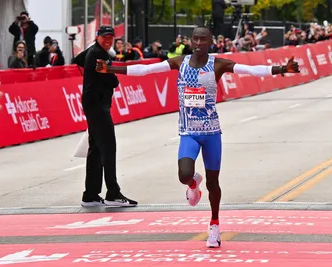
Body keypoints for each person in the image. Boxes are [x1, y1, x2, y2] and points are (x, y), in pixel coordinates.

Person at [95, 25, 300, 247]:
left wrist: (281, 69)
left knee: (214, 183)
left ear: (210, 41)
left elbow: (250, 70)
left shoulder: (218, 64)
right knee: (184, 174)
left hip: (211, 132)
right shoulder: (180, 62)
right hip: (188, 133)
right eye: (196, 39)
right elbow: (145, 70)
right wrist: (111, 69)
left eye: (204, 39)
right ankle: (193, 184)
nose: (199, 43)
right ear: (191, 41)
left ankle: (214, 225)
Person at [79, 25, 138, 207]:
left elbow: (78, 59)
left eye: (110, 37)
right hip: (98, 107)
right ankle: (112, 192)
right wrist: (110, 69)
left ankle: (90, 195)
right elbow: (113, 81)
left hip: (94, 104)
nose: (108, 40)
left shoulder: (94, 51)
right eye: (105, 37)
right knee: (108, 148)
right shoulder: (99, 55)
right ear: (97, 37)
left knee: (96, 149)